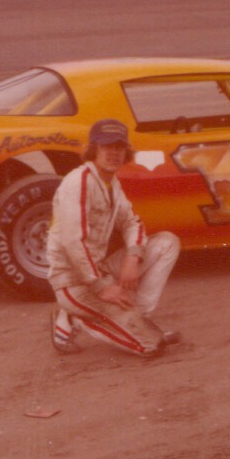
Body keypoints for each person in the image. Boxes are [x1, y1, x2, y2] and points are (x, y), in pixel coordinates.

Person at [46, 118, 181, 357]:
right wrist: (101, 287)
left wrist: (132, 257)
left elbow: (131, 222)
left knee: (166, 243)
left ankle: (138, 319)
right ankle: (75, 317)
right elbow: (72, 241)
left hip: (99, 271)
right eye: (106, 146)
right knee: (151, 346)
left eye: (119, 147)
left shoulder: (111, 183)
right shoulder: (78, 182)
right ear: (94, 149)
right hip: (73, 281)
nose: (114, 153)